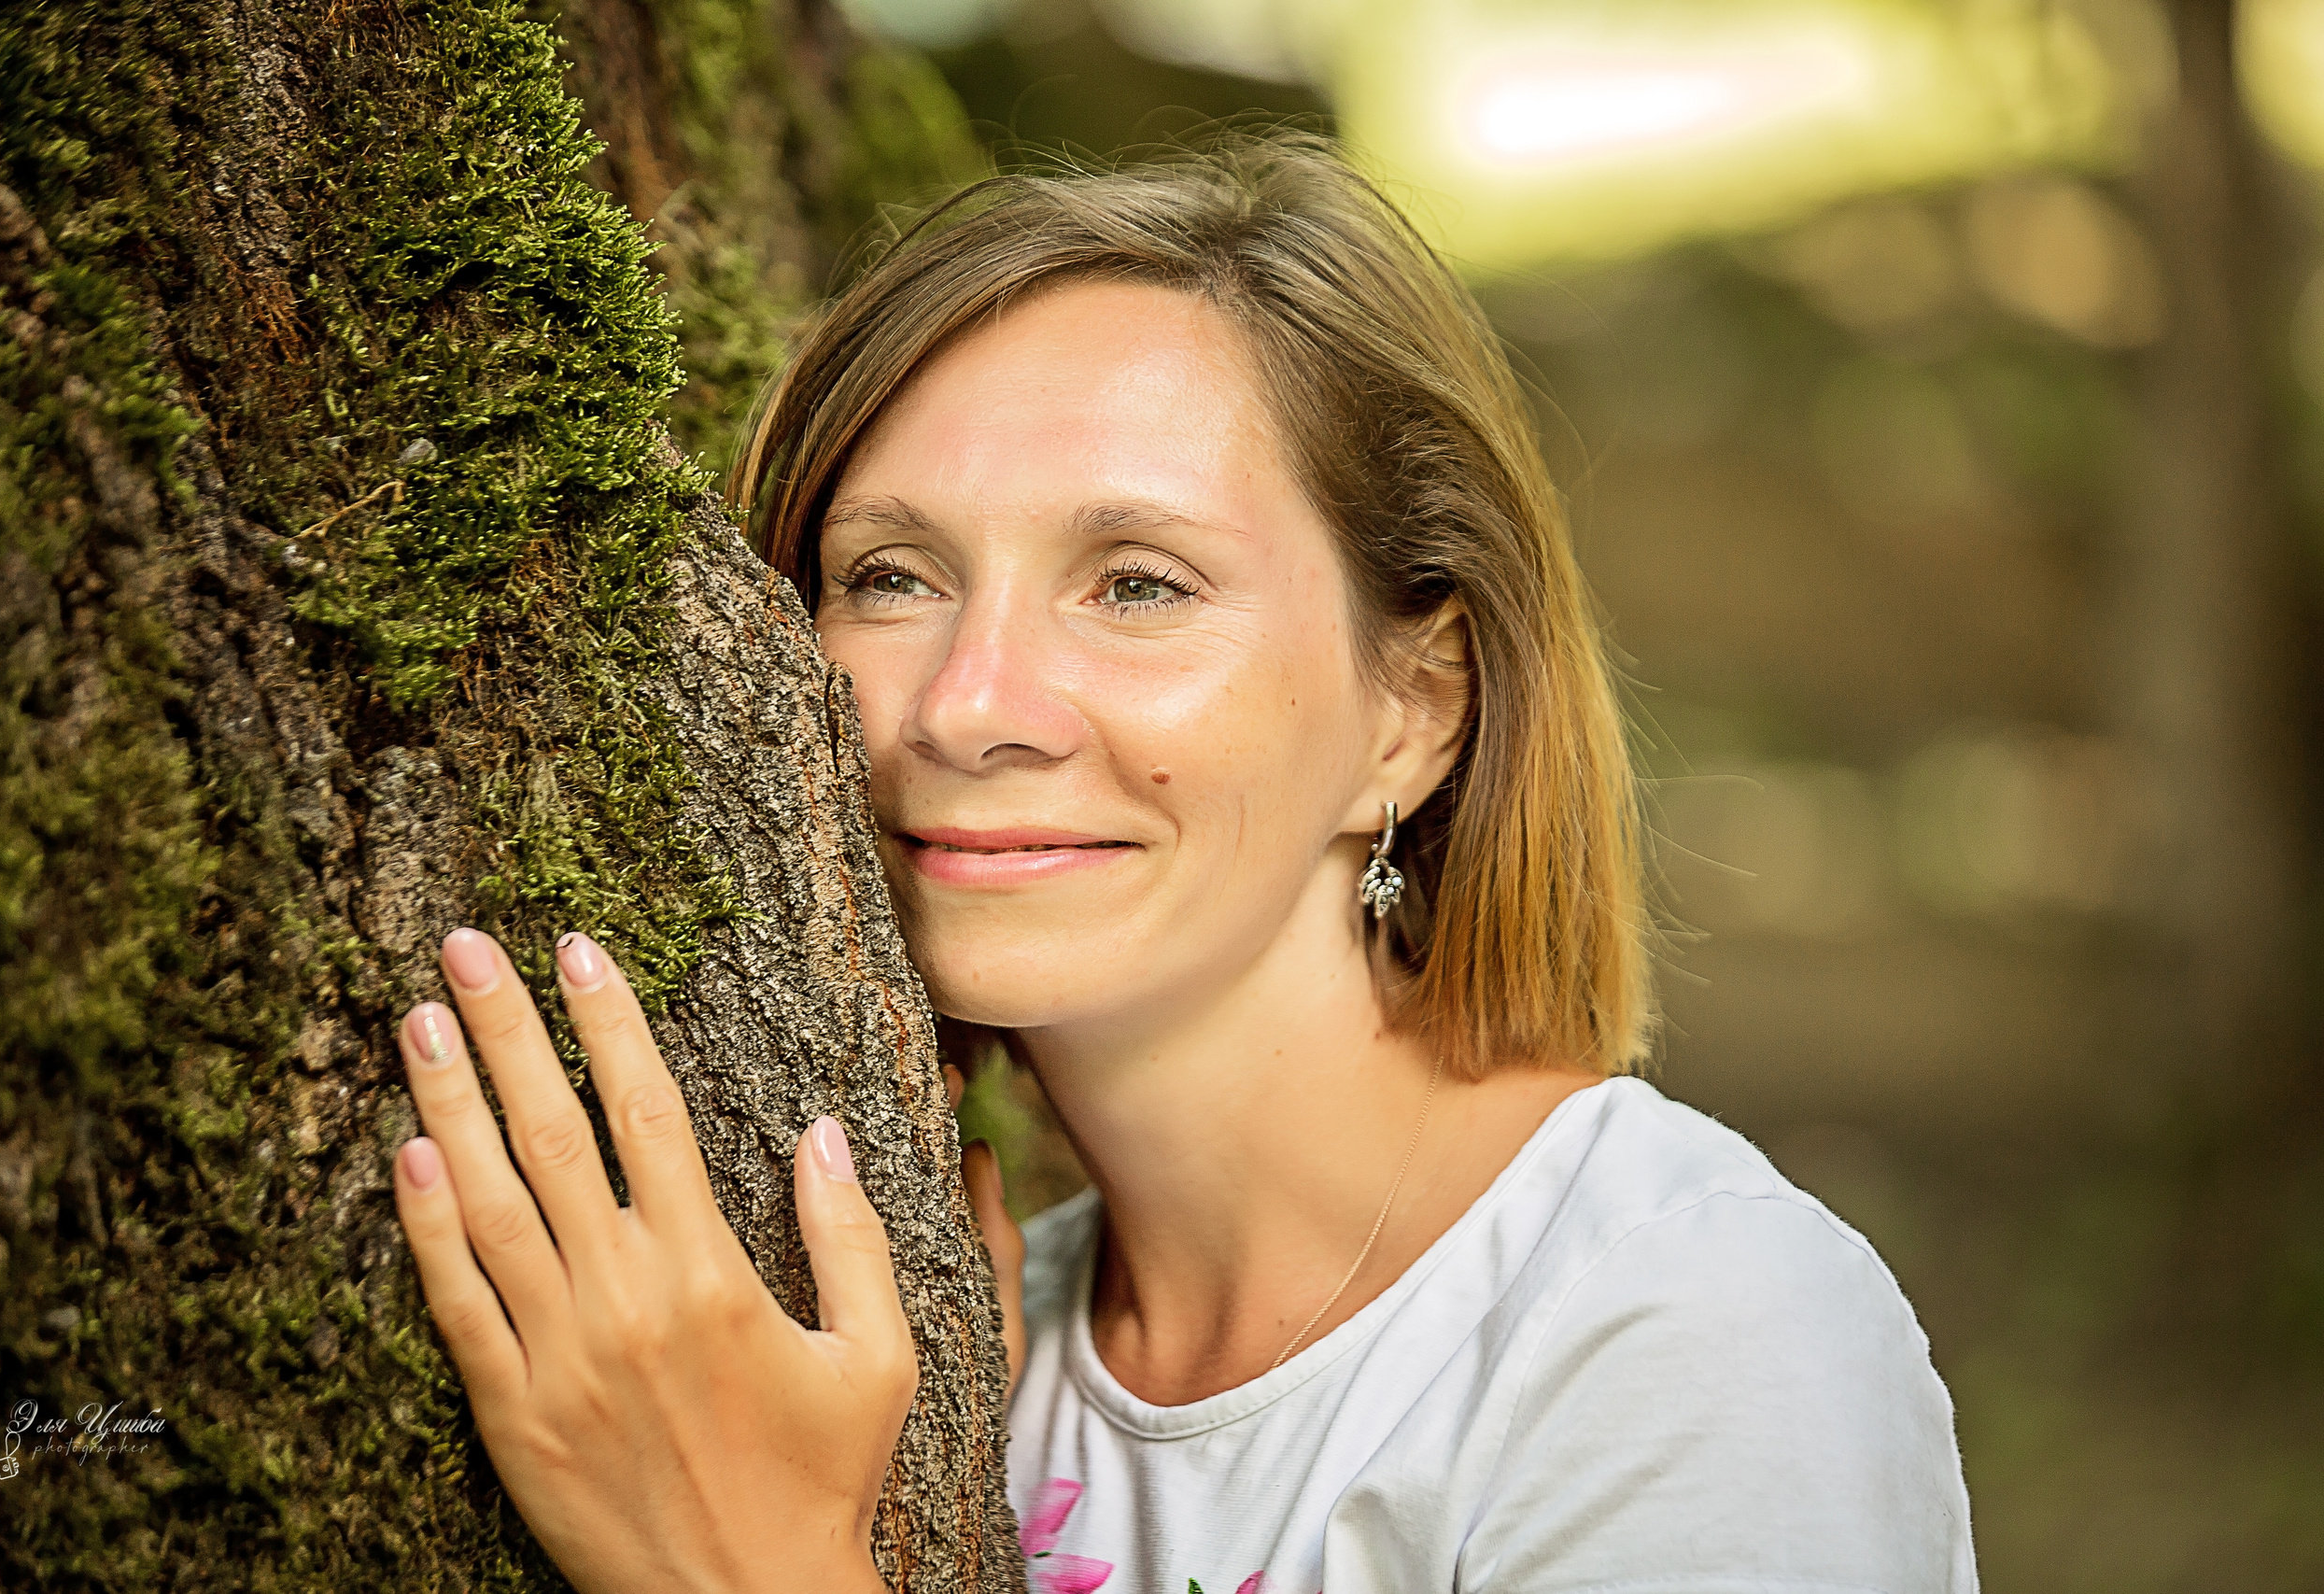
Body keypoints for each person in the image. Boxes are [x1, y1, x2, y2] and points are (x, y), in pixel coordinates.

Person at [387, 135, 1977, 1593]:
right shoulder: (937, 1354)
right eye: (889, 575)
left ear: (1413, 712)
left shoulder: (1682, 1334)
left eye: (1138, 584)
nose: (971, 705)